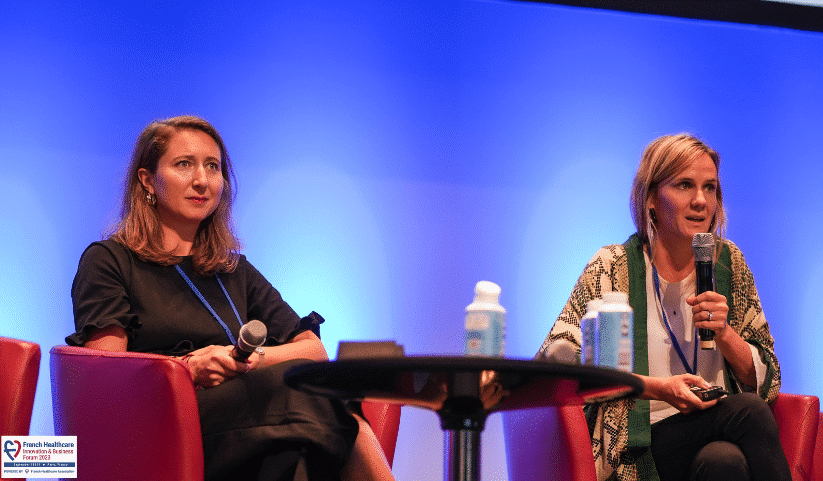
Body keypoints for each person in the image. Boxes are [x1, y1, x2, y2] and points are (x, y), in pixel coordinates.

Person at [68, 115, 395, 481]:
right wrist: (186, 368)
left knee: (294, 444)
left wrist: (251, 360)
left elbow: (312, 349)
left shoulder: (232, 268)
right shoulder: (109, 261)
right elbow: (108, 375)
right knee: (302, 399)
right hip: (162, 427)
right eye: (184, 165)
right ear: (147, 180)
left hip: (250, 423)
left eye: (213, 167)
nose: (201, 180)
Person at [538, 134, 790, 481]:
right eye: (685, 185)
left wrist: (726, 334)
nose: (701, 201)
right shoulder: (611, 268)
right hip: (636, 445)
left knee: (724, 461)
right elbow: (558, 363)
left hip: (715, 434)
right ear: (652, 199)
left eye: (711, 188)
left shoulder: (730, 264)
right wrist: (657, 388)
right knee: (750, 413)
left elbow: (769, 377)